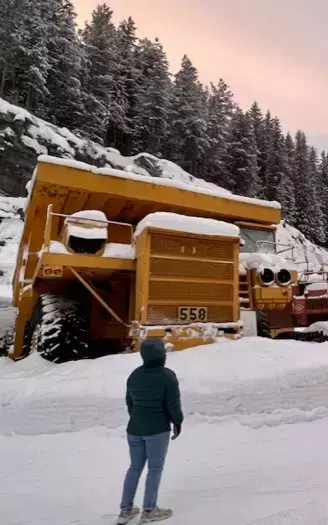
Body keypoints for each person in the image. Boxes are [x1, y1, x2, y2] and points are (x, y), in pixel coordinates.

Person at [117, 338, 184, 524]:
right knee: (155, 468)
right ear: (161, 354)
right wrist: (177, 422)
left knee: (134, 467)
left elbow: (130, 402)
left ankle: (126, 510)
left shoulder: (134, 375)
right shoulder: (167, 376)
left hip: (134, 429)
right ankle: (149, 510)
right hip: (157, 430)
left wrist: (137, 419)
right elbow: (173, 404)